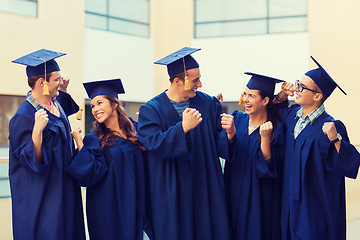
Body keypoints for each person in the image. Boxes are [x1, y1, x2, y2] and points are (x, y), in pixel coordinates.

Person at [137, 47, 235, 240]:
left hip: (205, 185)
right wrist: (182, 128)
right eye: (195, 79)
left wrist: (230, 133)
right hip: (172, 190)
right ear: (177, 81)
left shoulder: (208, 104)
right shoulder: (151, 110)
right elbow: (153, 144)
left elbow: (219, 142)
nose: (200, 83)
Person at [274, 56, 360, 240]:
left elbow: (350, 163)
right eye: (298, 83)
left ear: (317, 96)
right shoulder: (292, 116)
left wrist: (335, 139)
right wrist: (282, 95)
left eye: (302, 87)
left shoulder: (332, 126)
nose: (296, 89)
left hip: (313, 209)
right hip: (289, 203)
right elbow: (274, 110)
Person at [9, 49, 85, 240]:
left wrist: (64, 90)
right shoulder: (23, 117)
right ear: (42, 83)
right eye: (57, 79)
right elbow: (28, 162)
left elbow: (59, 121)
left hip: (66, 186)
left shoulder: (55, 104)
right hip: (46, 194)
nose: (62, 81)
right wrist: (36, 133)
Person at [66, 78, 152, 240]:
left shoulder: (136, 130)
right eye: (92, 106)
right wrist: (79, 142)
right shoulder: (95, 139)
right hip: (108, 207)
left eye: (99, 103)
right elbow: (89, 173)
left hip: (134, 201)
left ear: (114, 104)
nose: (95, 109)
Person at [224, 72, 285, 240]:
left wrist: (265, 139)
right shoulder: (236, 119)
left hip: (259, 198)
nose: (245, 99)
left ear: (265, 100)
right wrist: (229, 134)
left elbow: (269, 169)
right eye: (245, 94)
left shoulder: (276, 129)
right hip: (232, 192)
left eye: (251, 95)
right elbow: (225, 152)